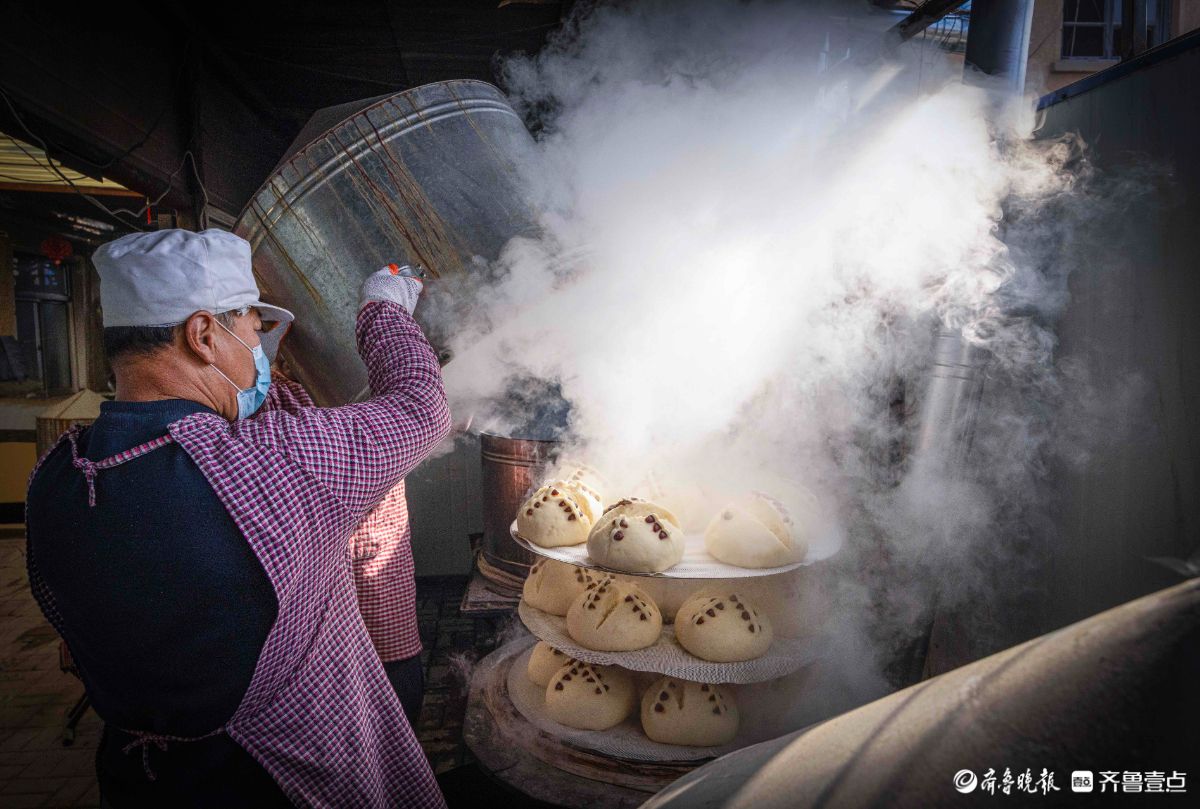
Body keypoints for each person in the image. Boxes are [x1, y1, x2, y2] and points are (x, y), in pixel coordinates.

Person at [24, 229, 451, 808]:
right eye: (253, 333)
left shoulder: (58, 474)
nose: (260, 354)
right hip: (278, 782)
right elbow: (421, 408)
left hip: (142, 781)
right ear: (203, 335)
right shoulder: (274, 460)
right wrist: (384, 311)